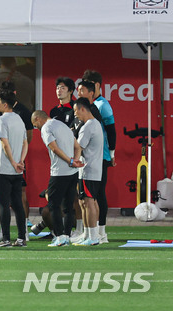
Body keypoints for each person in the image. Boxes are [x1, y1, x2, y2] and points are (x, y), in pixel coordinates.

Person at [31, 110, 83, 247]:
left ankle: (59, 237)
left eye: (35, 125)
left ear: (37, 119)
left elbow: (54, 148)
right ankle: (66, 236)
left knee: (53, 205)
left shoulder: (46, 128)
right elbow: (78, 147)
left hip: (59, 173)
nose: (37, 128)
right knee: (68, 206)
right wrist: (74, 161)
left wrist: (70, 161)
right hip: (73, 173)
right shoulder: (63, 126)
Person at [0, 80, 33, 241]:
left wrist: (14, 162)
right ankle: (22, 238)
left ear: (5, 104)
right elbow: (25, 143)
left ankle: (6, 238)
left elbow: (4, 143)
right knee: (18, 204)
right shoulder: (19, 119)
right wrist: (20, 162)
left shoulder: (1, 120)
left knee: (3, 204)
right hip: (17, 171)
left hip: (4, 169)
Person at [82, 69, 116, 244]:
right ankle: (90, 232)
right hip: (88, 157)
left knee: (98, 194)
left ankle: (102, 232)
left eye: (87, 85)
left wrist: (111, 155)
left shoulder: (103, 105)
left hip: (100, 157)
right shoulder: (87, 106)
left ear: (95, 86)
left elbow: (111, 131)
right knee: (88, 196)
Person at [72, 97, 104, 246]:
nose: (75, 114)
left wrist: (74, 160)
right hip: (90, 169)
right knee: (84, 202)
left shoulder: (89, 126)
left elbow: (79, 146)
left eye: (76, 111)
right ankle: (88, 234)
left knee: (88, 202)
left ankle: (93, 237)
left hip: (88, 170)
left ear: (82, 109)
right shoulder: (95, 124)